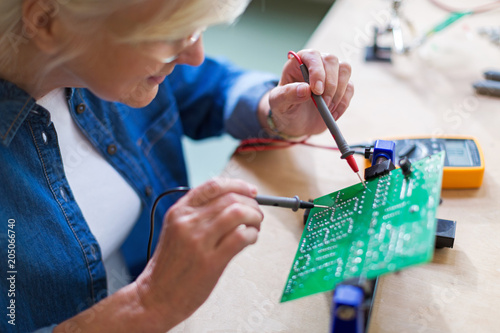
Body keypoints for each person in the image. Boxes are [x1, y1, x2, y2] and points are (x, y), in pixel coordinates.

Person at [0, 0, 354, 332]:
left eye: (194, 30)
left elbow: (214, 87)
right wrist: (147, 305)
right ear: (46, 21)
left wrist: (277, 113)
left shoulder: (97, 62)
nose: (195, 55)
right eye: (169, 34)